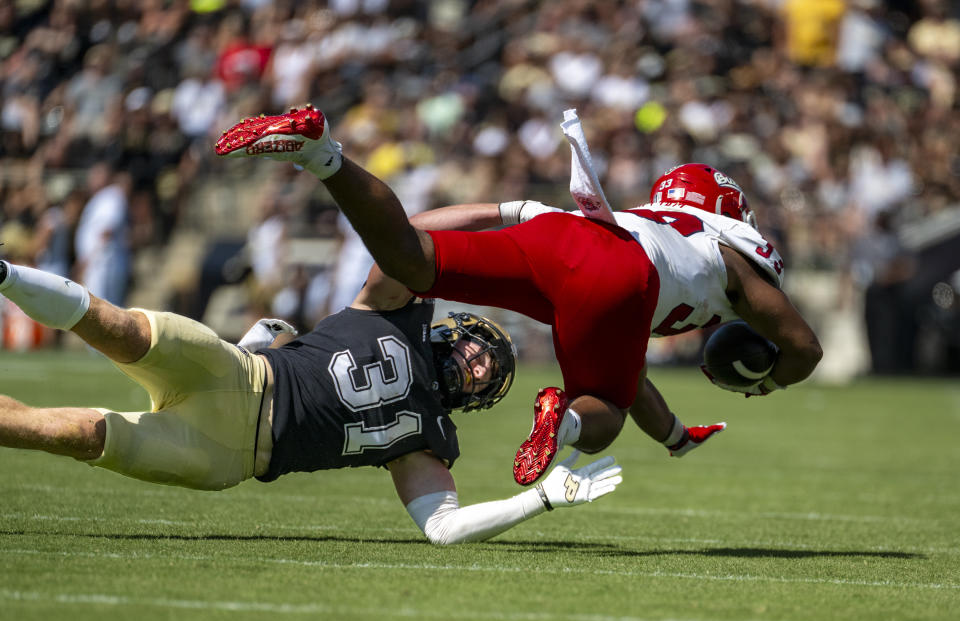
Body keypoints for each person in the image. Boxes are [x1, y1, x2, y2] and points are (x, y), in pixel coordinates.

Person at [215, 105, 822, 486]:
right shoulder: (728, 254)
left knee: (412, 262)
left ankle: (322, 154)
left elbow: (630, 371)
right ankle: (560, 426)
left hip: (565, 239)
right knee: (600, 414)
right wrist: (762, 382)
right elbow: (803, 349)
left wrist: (673, 437)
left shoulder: (650, 225)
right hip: (620, 279)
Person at [0, 258, 622, 544]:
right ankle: (4, 273)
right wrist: (507, 227)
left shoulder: (432, 439)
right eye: (484, 350)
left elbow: (443, 528)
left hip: (226, 455)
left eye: (491, 375)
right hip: (240, 374)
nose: (480, 366)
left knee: (75, 435)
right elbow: (409, 241)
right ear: (453, 329)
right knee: (117, 326)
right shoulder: (394, 309)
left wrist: (538, 499)